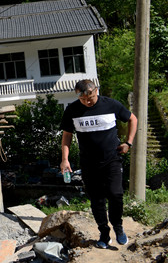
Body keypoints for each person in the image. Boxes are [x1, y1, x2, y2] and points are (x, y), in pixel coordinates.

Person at [60, 79, 137, 249]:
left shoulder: (111, 105)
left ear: (96, 91)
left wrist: (128, 143)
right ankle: (104, 233)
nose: (87, 102)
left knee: (115, 194)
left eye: (90, 98)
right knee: (96, 199)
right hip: (89, 162)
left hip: (112, 159)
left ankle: (118, 227)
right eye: (83, 99)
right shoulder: (72, 110)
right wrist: (65, 159)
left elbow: (132, 119)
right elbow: (67, 135)